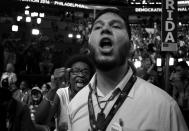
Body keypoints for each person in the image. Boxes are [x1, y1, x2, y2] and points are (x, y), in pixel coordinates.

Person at [69, 8, 188, 131]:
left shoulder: (164, 107)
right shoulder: (75, 105)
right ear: (89, 44)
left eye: (115, 26)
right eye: (98, 27)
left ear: (130, 47)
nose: (105, 29)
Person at [35, 54, 95, 131]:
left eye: (85, 72)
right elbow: (40, 120)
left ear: (90, 77)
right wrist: (53, 88)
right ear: (68, 76)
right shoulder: (62, 93)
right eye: (76, 71)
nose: (81, 75)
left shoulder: (94, 97)